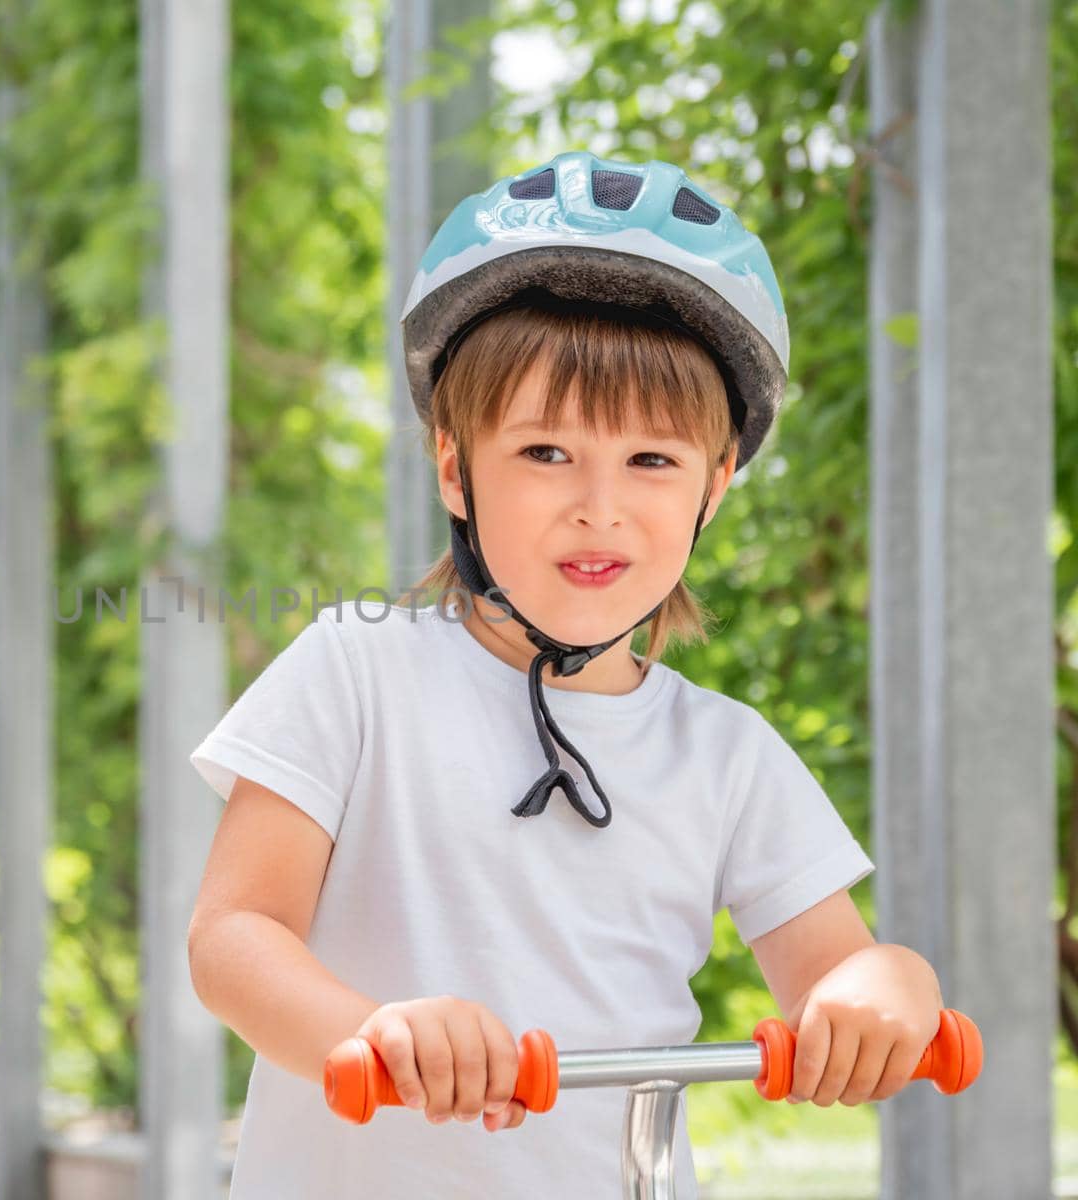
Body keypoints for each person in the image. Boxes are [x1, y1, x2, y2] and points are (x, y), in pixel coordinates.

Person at [185, 150, 944, 1199]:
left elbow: (836, 969)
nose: (599, 506)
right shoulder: (355, 672)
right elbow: (234, 935)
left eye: (651, 462)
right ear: (454, 466)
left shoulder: (722, 753)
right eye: (545, 453)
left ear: (713, 487)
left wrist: (888, 987)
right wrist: (371, 1032)